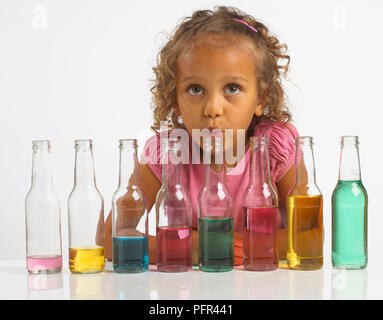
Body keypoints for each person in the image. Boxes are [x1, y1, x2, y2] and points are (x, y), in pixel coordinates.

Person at [104, 6, 299, 266]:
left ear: (261, 98)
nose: (212, 109)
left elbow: (308, 234)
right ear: (175, 100)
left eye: (232, 88)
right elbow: (109, 237)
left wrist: (232, 247)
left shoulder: (275, 148)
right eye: (195, 89)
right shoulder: (167, 155)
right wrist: (195, 246)